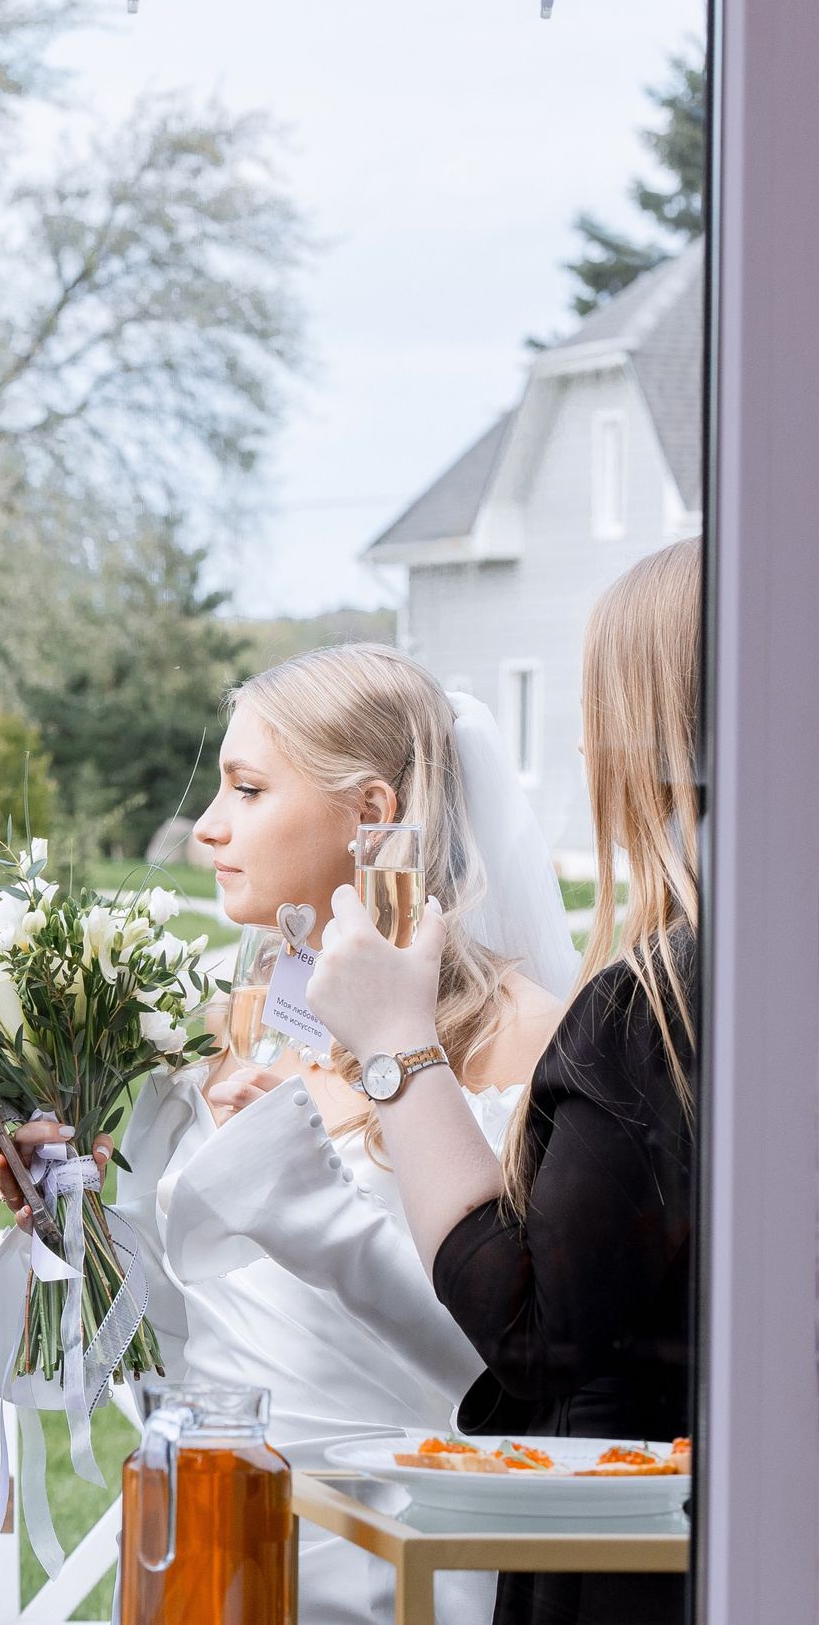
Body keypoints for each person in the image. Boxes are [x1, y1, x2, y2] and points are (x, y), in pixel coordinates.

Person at [0, 643, 572, 1625]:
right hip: (207, 1536)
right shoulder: (219, 1029)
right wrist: (67, 1231)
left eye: (246, 790)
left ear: (372, 813)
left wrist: (296, 1184)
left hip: (399, 1554)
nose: (206, 827)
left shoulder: (520, 1034)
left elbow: (523, 1357)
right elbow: (165, 1346)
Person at [308, 541, 700, 1625]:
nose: (582, 744)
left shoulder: (659, 1002)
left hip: (644, 1556)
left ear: (651, 732)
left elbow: (534, 1329)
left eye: (597, 708)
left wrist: (395, 1046)